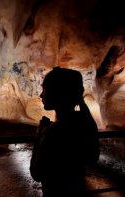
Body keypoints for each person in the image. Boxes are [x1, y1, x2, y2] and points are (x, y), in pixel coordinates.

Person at [30, 67, 100, 197]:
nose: (41, 95)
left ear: (57, 93)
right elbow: (93, 157)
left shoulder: (54, 132)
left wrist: (40, 135)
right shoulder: (85, 121)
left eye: (45, 89)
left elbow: (37, 173)